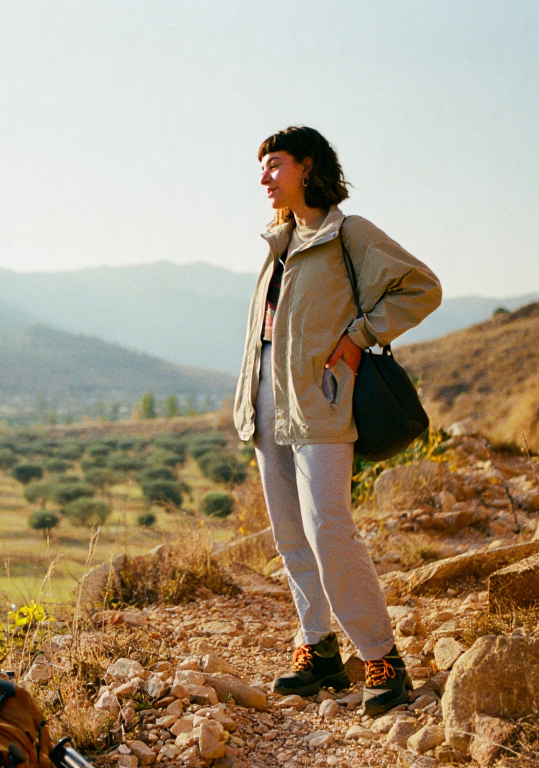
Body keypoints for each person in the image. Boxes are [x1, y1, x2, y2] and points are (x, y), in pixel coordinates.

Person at [232, 126, 442, 717]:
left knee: (329, 527)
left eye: (274, 165)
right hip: (267, 399)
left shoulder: (348, 233)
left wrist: (357, 338)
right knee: (290, 533)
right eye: (263, 168)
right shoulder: (281, 242)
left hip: (322, 400)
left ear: (307, 167)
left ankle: (380, 656)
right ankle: (319, 648)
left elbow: (421, 287)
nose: (265, 178)